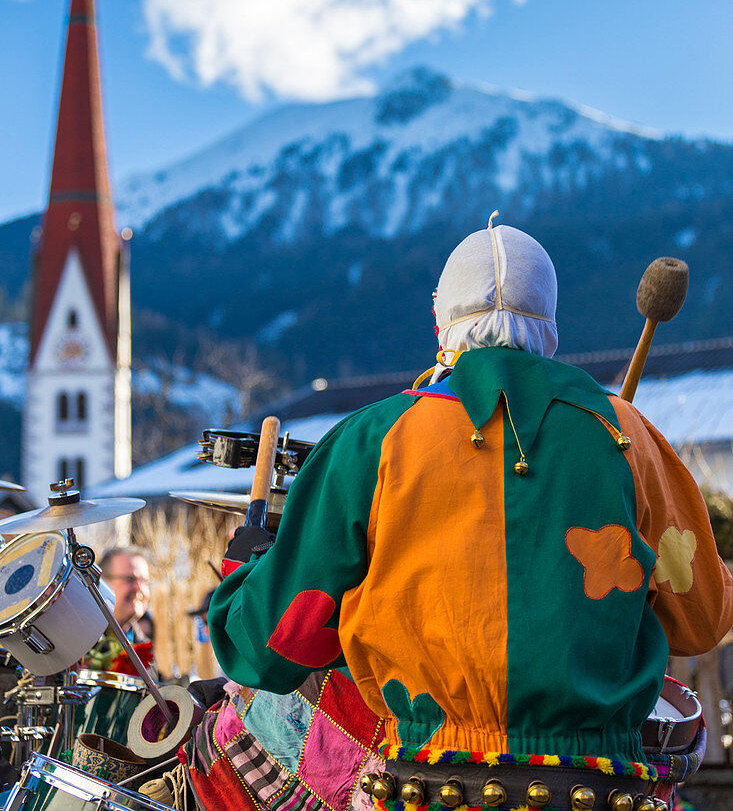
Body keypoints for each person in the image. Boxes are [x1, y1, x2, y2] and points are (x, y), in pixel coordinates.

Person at [209, 215, 733, 811]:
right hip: (599, 789)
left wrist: (246, 566)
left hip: (427, 789)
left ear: (441, 324)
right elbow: (703, 618)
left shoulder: (371, 441)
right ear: (551, 328)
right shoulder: (626, 435)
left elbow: (267, 649)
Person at [84, 546, 156, 674]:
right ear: (102, 584)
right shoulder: (82, 643)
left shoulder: (144, 646)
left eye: (144, 581)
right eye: (130, 579)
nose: (139, 588)